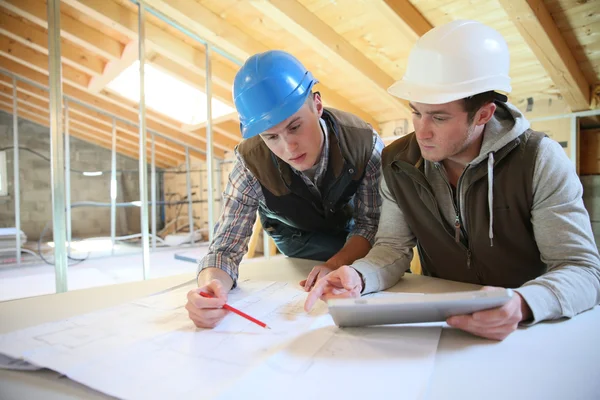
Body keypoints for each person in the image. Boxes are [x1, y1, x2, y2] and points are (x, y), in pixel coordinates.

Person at [305, 20, 600, 341]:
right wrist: (359, 276)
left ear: (484, 114)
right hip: (442, 327)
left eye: (440, 117)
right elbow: (392, 247)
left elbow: (582, 269)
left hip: (529, 330)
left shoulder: (539, 159)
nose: (422, 131)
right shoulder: (397, 162)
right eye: (416, 112)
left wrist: (523, 304)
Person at [186, 50, 384, 328]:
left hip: (355, 235)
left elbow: (371, 225)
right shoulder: (249, 161)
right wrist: (210, 287)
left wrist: (335, 264)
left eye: (295, 127)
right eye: (271, 137)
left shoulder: (364, 143)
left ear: (317, 105)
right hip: (295, 240)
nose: (288, 147)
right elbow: (225, 248)